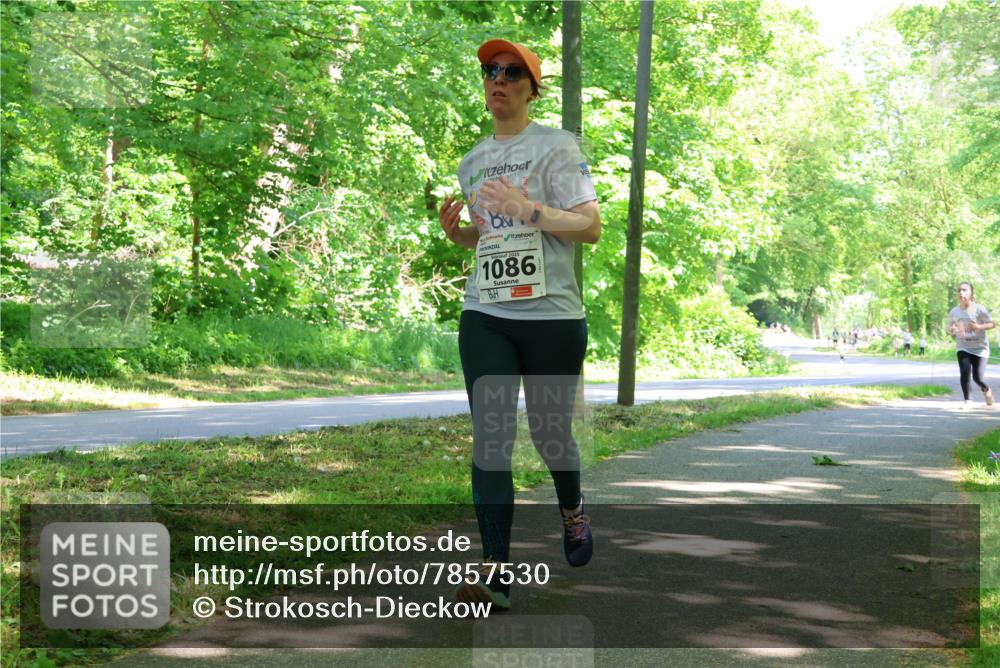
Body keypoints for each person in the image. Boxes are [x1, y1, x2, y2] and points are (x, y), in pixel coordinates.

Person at [438, 39, 601, 610]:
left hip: (553, 316)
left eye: (511, 72)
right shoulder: (472, 161)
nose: (498, 80)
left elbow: (589, 227)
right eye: (490, 71)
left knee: (551, 434)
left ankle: (572, 511)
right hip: (487, 313)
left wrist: (526, 207)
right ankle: (495, 571)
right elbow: (490, 236)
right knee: (491, 438)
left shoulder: (557, 147)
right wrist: (460, 235)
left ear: (532, 89)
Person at [948, 282, 995, 408]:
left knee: (977, 378)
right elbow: (950, 328)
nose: (961, 292)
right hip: (963, 347)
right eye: (959, 290)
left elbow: (992, 324)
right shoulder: (954, 311)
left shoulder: (979, 309)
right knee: (964, 373)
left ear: (971, 294)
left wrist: (978, 326)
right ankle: (968, 401)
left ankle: (986, 389)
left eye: (964, 290)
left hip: (980, 349)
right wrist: (952, 330)